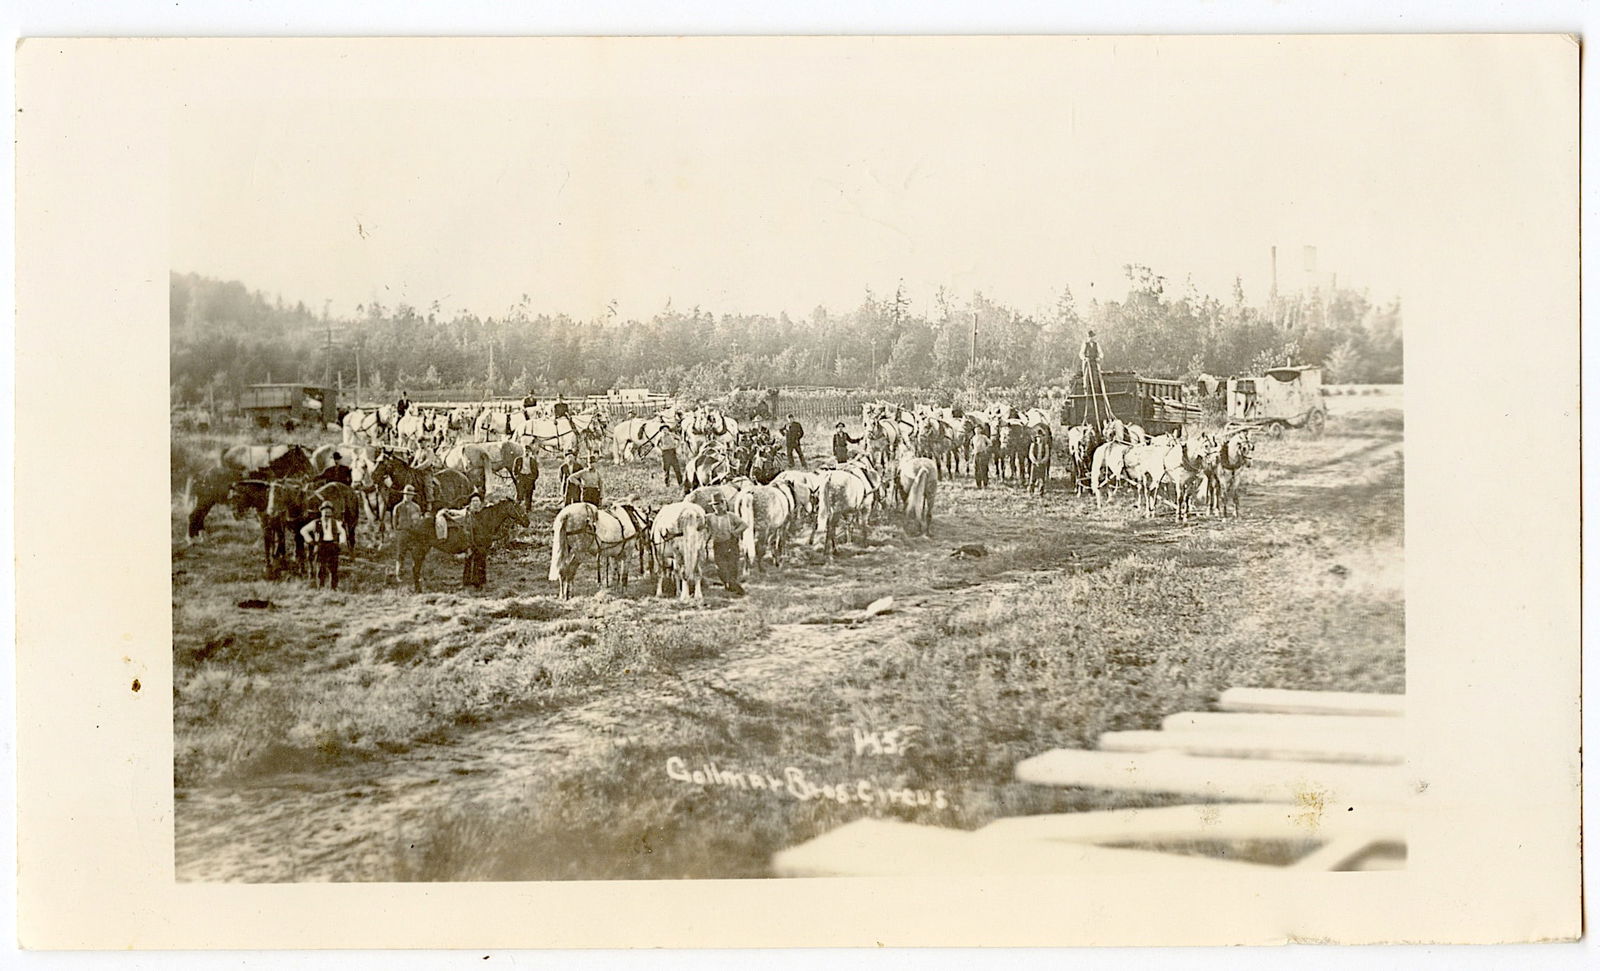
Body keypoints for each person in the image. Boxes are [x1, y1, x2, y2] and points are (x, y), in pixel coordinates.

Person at [702, 495, 747, 596]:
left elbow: (744, 525)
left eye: (719, 504)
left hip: (731, 543)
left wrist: (735, 532)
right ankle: (729, 584)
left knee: (732, 565)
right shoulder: (709, 517)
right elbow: (701, 524)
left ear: (724, 503)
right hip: (718, 544)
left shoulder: (731, 516)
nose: (718, 506)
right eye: (715, 505)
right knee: (720, 567)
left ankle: (732, 586)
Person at [300, 501, 349, 590]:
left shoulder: (335, 523)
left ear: (332, 513)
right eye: (325, 511)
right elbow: (303, 530)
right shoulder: (315, 522)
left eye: (329, 511)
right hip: (321, 546)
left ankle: (333, 588)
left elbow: (342, 532)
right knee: (320, 567)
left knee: (333, 568)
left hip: (332, 546)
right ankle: (321, 587)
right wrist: (310, 541)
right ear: (321, 512)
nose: (327, 513)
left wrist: (342, 542)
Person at [391, 484, 422, 579]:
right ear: (403, 495)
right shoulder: (398, 507)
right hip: (402, 533)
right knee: (400, 554)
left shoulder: (416, 507)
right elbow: (394, 522)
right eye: (407, 494)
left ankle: (417, 575)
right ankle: (399, 574)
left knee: (416, 555)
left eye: (410, 494)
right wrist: (397, 532)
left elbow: (419, 521)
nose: (409, 496)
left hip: (413, 533)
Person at [460, 493, 488, 589]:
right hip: (470, 541)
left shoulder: (483, 514)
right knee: (468, 561)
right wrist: (467, 545)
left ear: (480, 503)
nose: (475, 503)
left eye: (477, 501)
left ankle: (479, 582)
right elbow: (466, 530)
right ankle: (467, 582)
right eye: (473, 501)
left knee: (480, 561)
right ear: (471, 503)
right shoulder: (468, 515)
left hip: (481, 542)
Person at [658, 421, 685, 486]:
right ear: (661, 431)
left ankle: (680, 483)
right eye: (663, 430)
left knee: (677, 469)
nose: (665, 431)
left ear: (668, 430)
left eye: (666, 429)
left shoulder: (672, 435)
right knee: (666, 470)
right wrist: (660, 449)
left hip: (673, 453)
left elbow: (679, 439)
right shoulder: (660, 436)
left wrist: (677, 446)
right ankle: (666, 484)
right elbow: (656, 444)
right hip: (665, 453)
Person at [1028, 431, 1052, 496]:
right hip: (1034, 464)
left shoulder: (1045, 446)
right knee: (1032, 478)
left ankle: (1041, 493)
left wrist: (1042, 462)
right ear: (1036, 438)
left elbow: (1047, 455)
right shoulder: (1033, 445)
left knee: (1042, 479)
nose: (1039, 439)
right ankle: (1031, 492)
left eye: (1041, 437)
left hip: (1042, 464)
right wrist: (1035, 462)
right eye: (1038, 437)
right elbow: (1031, 454)